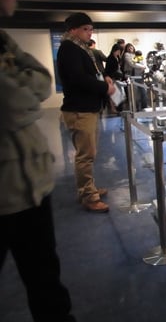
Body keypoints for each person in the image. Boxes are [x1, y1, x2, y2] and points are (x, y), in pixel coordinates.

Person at [0, 0, 76, 322]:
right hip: (6, 190)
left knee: (46, 279)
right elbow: (13, 106)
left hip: (34, 187)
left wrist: (22, 92)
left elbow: (43, 82)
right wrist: (24, 93)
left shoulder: (5, 40)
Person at [57, 12, 115, 213]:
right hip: (79, 110)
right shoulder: (69, 48)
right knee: (85, 155)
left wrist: (104, 78)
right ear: (73, 30)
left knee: (88, 153)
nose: (89, 33)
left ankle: (88, 189)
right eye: (85, 29)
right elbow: (78, 78)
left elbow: (91, 73)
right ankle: (89, 196)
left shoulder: (79, 48)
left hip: (86, 108)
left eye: (91, 29)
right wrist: (104, 88)